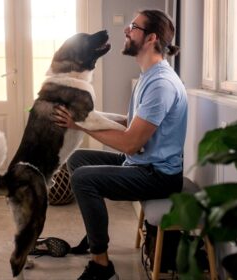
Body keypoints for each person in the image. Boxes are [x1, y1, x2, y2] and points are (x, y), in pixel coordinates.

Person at [54, 9, 187, 280]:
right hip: (143, 163)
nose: (126, 30)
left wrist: (78, 125)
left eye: (133, 27)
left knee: (83, 178)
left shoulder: (160, 84)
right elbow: (130, 122)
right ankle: (95, 235)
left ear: (151, 38)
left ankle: (101, 265)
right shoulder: (149, 76)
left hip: (158, 175)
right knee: (77, 159)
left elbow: (130, 142)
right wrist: (87, 116)